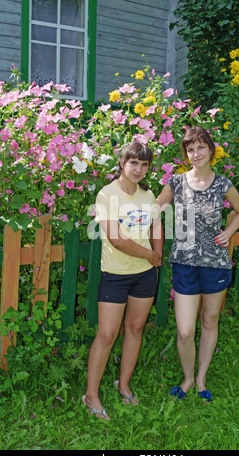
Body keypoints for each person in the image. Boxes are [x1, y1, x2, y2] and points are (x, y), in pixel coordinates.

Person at [157, 126, 239, 402]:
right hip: (184, 263)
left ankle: (200, 379)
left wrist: (229, 232)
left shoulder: (223, 184)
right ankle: (186, 377)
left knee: (209, 320)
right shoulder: (176, 182)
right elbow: (154, 208)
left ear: (210, 150)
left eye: (200, 147)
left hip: (216, 264)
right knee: (185, 329)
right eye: (190, 149)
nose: (195, 153)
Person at [82, 142, 163, 420]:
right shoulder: (107, 194)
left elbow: (156, 224)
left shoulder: (148, 194)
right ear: (122, 163)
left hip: (144, 274)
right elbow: (116, 239)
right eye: (134, 163)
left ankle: (124, 384)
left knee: (136, 328)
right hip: (116, 275)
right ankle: (91, 395)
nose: (139, 170)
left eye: (144, 165)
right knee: (106, 334)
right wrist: (151, 255)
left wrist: (157, 255)